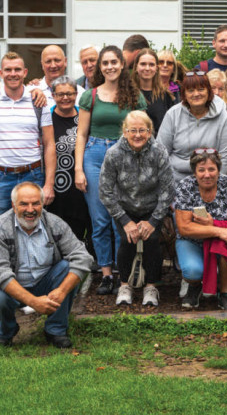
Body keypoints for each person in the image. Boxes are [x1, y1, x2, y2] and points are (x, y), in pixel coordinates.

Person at [0, 52, 57, 318]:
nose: (12, 74)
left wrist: (49, 183)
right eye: (7, 69)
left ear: (24, 72)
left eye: (17, 69)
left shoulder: (38, 101)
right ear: (0, 73)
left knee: (35, 233)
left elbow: (49, 144)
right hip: (0, 178)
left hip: (32, 175)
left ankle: (33, 293)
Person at [0, 182, 94, 348]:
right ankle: (7, 330)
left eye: (35, 203)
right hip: (14, 286)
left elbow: (84, 258)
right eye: (24, 204)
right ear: (13, 206)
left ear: (42, 204)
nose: (30, 209)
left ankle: (56, 329)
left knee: (68, 268)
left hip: (45, 282)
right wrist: (34, 302)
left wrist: (62, 290)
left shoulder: (55, 223)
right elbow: (0, 272)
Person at [75, 45, 147, 296]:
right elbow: (81, 134)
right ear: (99, 68)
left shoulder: (135, 96)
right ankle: (106, 274)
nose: (110, 67)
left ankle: (123, 273)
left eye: (114, 62)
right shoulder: (90, 96)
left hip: (125, 158)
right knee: (100, 220)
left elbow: (142, 133)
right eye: (105, 63)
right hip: (94, 157)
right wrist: (78, 170)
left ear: (122, 65)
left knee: (123, 219)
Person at [99, 111, 174, 307]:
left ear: (150, 132)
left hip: (152, 207)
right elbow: (105, 192)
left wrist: (154, 221)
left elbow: (167, 189)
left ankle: (151, 286)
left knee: (152, 241)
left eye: (142, 130)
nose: (138, 135)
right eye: (133, 130)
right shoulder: (113, 154)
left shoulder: (159, 152)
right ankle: (125, 285)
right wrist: (125, 221)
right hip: (125, 207)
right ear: (124, 132)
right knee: (127, 240)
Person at [173, 149, 227, 311]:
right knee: (192, 271)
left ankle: (225, 293)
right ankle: (194, 286)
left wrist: (216, 228)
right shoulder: (185, 187)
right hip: (192, 240)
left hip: (223, 239)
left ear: (219, 170)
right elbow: (184, 228)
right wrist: (217, 230)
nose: (207, 174)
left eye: (212, 169)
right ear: (194, 172)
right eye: (201, 170)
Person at [158, 71, 227, 183]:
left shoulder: (223, 116)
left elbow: (225, 156)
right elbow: (161, 153)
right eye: (191, 90)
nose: (196, 94)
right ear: (184, 94)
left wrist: (216, 185)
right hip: (175, 179)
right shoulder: (172, 114)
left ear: (209, 91)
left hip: (210, 180)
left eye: (201, 89)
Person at [47, 76, 92, 250]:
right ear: (53, 95)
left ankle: (81, 268)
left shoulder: (85, 116)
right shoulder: (47, 117)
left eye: (70, 93)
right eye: (60, 94)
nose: (65, 98)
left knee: (81, 227)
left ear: (76, 94)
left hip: (82, 183)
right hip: (55, 186)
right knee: (56, 231)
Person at [132, 48, 177, 135]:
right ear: (136, 66)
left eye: (151, 65)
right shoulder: (127, 93)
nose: (147, 68)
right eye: (143, 64)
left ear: (156, 68)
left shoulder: (166, 95)